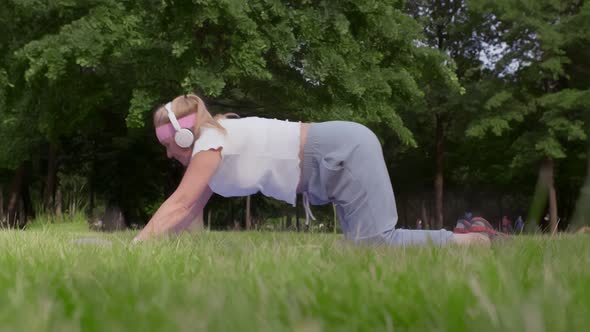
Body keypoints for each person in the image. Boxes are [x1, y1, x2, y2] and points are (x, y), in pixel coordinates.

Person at [132, 94, 491, 246]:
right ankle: (468, 233)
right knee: (363, 252)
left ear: (182, 134)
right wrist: (155, 243)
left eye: (167, 145)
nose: (167, 154)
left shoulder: (209, 142)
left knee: (378, 243)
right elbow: (191, 207)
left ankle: (473, 243)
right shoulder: (213, 143)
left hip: (341, 152)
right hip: (335, 159)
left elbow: (179, 203)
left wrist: (136, 245)